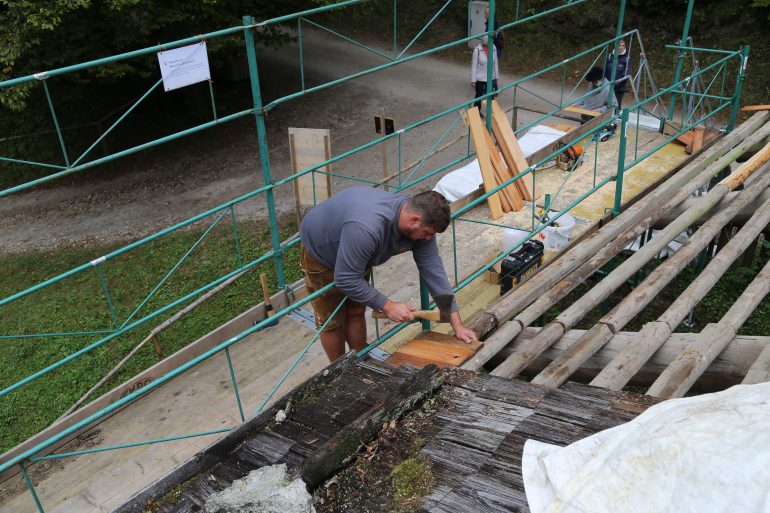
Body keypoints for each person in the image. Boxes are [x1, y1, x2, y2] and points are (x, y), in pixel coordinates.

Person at [299, 187, 478, 362]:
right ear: (414, 220)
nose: (428, 239)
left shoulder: (419, 224)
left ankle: (361, 359)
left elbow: (433, 270)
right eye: (428, 233)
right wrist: (388, 306)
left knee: (355, 310)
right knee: (332, 322)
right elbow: (345, 278)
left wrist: (457, 325)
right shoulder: (368, 228)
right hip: (322, 253)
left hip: (356, 248)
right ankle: (337, 371)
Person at [471, 38, 498, 112]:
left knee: (491, 96)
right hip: (480, 77)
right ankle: (477, 112)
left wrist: (496, 76)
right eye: (486, 45)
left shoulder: (493, 48)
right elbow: (474, 66)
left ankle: (492, 113)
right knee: (478, 95)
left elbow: (495, 62)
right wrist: (473, 80)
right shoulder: (477, 50)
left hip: (491, 76)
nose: (488, 46)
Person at [604, 38, 631, 108]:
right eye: (619, 45)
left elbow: (626, 73)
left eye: (623, 46)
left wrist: (617, 82)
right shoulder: (610, 56)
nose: (621, 47)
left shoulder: (627, 58)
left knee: (616, 105)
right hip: (608, 85)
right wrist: (605, 82)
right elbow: (604, 69)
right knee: (605, 104)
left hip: (619, 87)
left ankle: (616, 115)